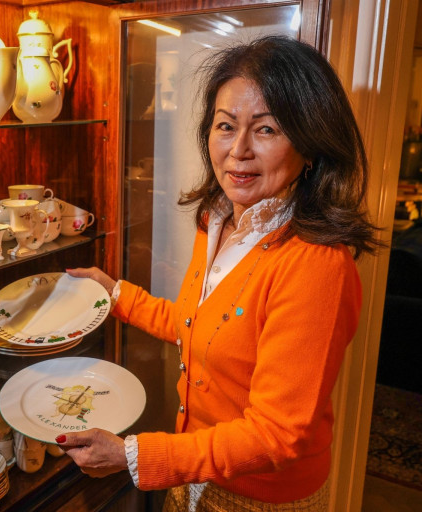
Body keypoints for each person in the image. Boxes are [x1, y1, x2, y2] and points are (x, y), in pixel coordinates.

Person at [58, 35, 382, 511]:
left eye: (267, 129)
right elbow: (199, 326)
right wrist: (117, 294)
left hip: (261, 498)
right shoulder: (217, 219)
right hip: (193, 470)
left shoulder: (316, 264)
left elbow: (277, 434)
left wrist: (135, 455)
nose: (238, 150)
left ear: (311, 145)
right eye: (226, 125)